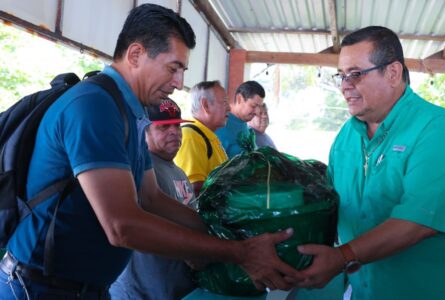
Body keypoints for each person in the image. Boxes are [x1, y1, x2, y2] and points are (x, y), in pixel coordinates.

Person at [0, 4, 297, 299]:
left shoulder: (127, 113)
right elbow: (122, 225)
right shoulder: (94, 106)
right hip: (37, 288)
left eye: (182, 70)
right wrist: (239, 252)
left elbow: (152, 197)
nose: (179, 83)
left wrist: (220, 232)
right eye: (173, 68)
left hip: (84, 288)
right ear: (136, 54)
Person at [290, 26, 445, 299]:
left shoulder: (436, 129)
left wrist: (341, 257)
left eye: (355, 74)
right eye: (341, 76)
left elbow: (418, 221)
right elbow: (329, 203)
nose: (345, 85)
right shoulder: (347, 135)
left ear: (392, 73)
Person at [110, 98, 196, 300]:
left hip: (175, 287)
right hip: (141, 291)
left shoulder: (179, 172)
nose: (174, 132)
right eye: (164, 127)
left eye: (177, 126)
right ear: (144, 132)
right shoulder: (140, 170)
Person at [174, 80, 229, 196]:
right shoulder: (191, 136)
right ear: (206, 105)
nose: (229, 108)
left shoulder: (208, 136)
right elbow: (193, 189)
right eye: (224, 102)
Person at [215, 81, 265, 158]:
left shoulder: (246, 126)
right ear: (239, 99)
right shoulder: (220, 124)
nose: (257, 112)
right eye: (254, 106)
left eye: (260, 107)